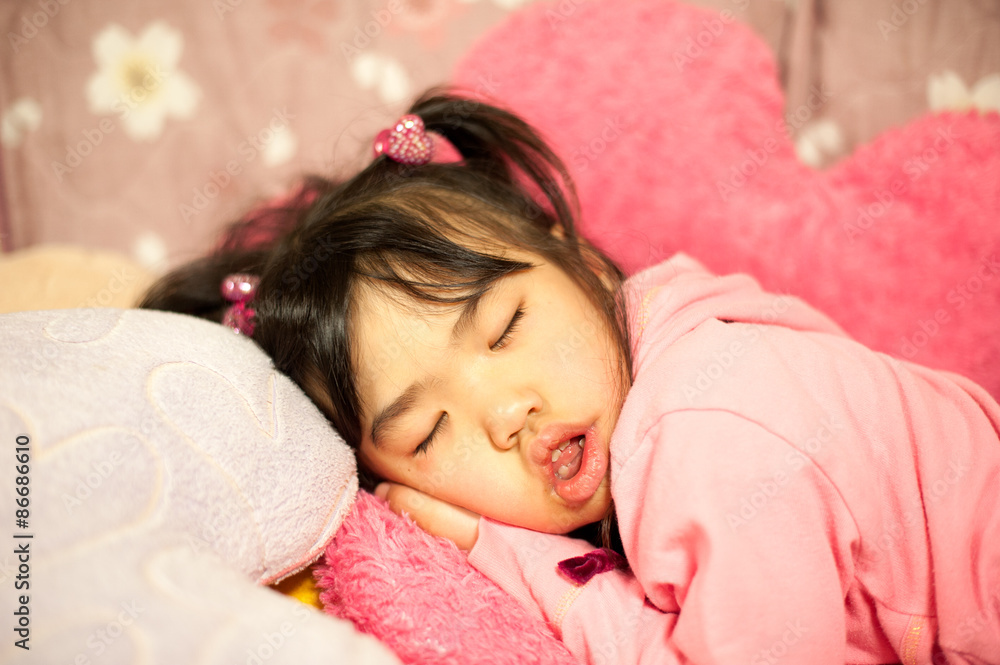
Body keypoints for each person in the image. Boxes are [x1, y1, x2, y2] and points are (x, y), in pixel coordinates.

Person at [141, 88, 1000, 664]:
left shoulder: (707, 427)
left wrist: (501, 550)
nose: (504, 411)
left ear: (584, 265)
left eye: (505, 327)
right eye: (429, 432)